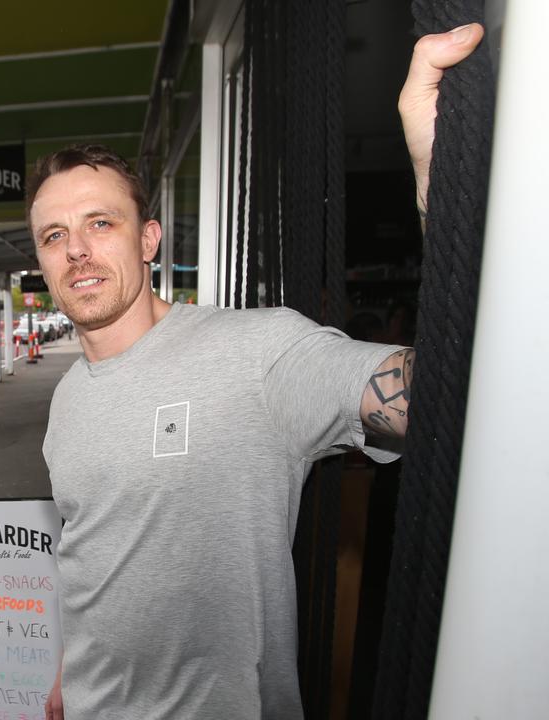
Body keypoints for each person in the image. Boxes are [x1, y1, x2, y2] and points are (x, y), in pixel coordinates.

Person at [35, 25, 484, 719]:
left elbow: (448, 396)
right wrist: (71, 668)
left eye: (101, 224)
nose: (77, 252)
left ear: (149, 237)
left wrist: (444, 189)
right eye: (55, 236)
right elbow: (92, 552)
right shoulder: (66, 399)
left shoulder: (257, 355)